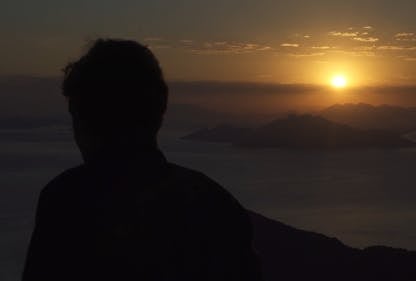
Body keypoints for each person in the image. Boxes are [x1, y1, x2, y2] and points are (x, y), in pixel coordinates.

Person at [22, 39, 261, 281]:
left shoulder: (67, 202)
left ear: (83, 119)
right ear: (161, 109)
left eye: (77, 114)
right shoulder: (215, 205)